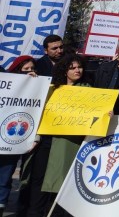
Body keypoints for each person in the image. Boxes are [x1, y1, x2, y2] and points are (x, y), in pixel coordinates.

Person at [27, 54, 90, 217]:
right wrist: (31, 81)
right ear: (64, 70)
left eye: (79, 67)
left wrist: (106, 113)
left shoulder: (88, 90)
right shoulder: (51, 88)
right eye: (73, 67)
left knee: (59, 187)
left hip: (67, 144)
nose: (78, 70)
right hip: (45, 143)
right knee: (38, 183)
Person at [0, 56, 37, 216]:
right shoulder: (5, 84)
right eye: (25, 70)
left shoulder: (37, 88)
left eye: (32, 69)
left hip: (11, 143)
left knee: (4, 179)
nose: (29, 72)